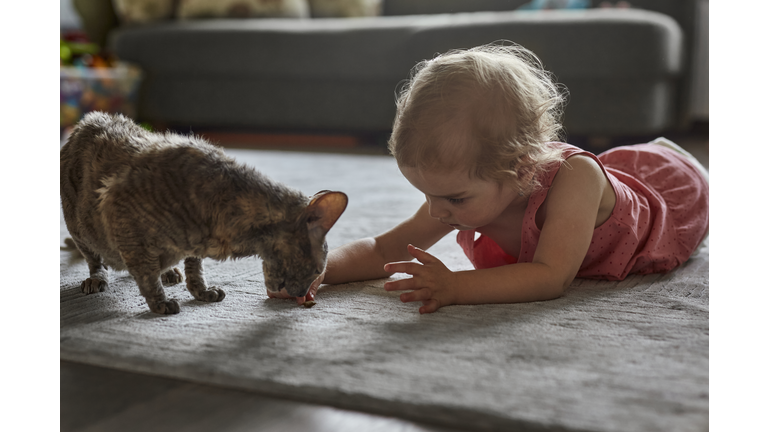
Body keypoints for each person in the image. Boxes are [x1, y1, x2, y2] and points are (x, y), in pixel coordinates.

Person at [271, 43, 709, 314]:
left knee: (669, 173)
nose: (437, 211)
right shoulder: (462, 190)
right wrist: (316, 270)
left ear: (520, 171)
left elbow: (550, 276)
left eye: (454, 200)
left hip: (668, 193)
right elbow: (382, 248)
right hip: (560, 177)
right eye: (427, 194)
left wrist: (456, 286)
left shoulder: (573, 180)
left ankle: (671, 151)